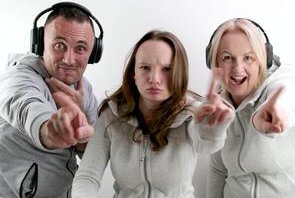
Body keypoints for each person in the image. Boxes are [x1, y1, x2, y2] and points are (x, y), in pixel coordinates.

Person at [71, 30, 234, 198]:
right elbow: (87, 176)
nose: (154, 78)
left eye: (166, 69)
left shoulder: (193, 113)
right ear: (134, 73)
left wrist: (212, 130)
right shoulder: (111, 114)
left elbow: (206, 146)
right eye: (145, 67)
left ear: (178, 73)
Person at [205, 18, 295, 198]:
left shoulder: (282, 85)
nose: (238, 69)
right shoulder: (220, 104)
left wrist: (276, 114)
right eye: (227, 58)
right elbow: (218, 169)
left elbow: (289, 99)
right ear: (215, 62)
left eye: (248, 57)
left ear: (264, 58)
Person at [0, 2, 104, 197]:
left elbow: (91, 154)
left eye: (80, 48)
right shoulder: (18, 79)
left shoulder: (84, 89)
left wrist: (80, 129)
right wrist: (51, 130)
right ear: (40, 44)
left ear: (94, 53)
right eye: (59, 45)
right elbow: (28, 109)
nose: (69, 59)